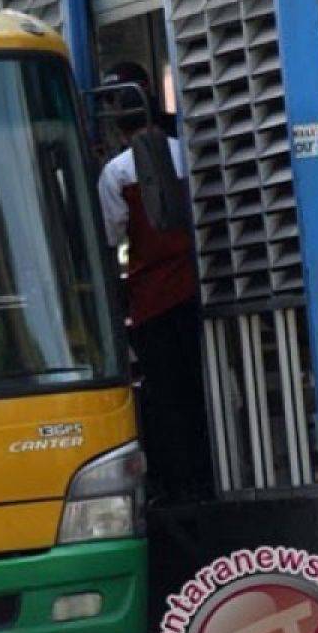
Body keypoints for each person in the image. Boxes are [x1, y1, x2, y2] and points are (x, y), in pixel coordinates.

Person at [97, 62, 213, 501]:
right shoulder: (188, 155)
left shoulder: (116, 174)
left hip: (154, 303)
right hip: (199, 293)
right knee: (202, 391)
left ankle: (181, 485)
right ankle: (208, 476)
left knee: (167, 401)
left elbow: (110, 236)